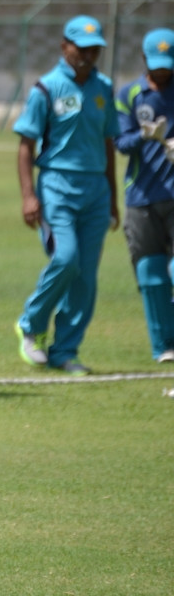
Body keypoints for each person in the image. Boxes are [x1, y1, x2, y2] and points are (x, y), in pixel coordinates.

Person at [13, 15, 121, 374]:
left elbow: (108, 144)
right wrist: (29, 196)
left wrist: (113, 198)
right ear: (64, 47)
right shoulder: (46, 88)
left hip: (96, 190)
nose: (89, 54)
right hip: (57, 185)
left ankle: (65, 351)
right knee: (66, 259)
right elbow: (26, 145)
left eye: (95, 49)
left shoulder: (104, 88)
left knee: (86, 275)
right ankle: (31, 324)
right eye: (82, 47)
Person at [114, 28, 174, 363]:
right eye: (157, 64)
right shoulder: (130, 94)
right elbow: (120, 143)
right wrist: (144, 136)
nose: (163, 71)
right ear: (144, 60)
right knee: (151, 275)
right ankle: (164, 345)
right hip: (141, 196)